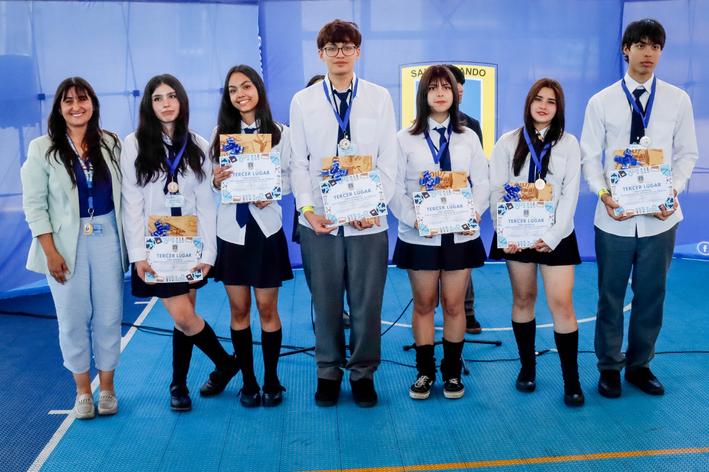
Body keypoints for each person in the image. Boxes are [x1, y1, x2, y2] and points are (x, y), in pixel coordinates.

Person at [580, 19, 698, 398]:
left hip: (660, 219)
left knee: (651, 294)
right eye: (641, 45)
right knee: (610, 295)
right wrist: (603, 193)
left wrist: (672, 192)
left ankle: (640, 365)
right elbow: (588, 157)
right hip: (614, 218)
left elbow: (687, 154)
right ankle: (609, 367)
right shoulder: (601, 101)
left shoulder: (678, 100)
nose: (648, 53)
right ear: (625, 49)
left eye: (655, 47)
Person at [289, 19, 397, 407]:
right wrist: (307, 210)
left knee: (367, 303)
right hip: (320, 222)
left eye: (347, 47)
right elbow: (299, 163)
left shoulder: (379, 97)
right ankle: (328, 372)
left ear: (358, 52)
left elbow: (388, 160)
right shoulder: (303, 101)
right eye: (332, 48)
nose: (340, 54)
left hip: (368, 222)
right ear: (321, 54)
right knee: (326, 301)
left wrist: (375, 207)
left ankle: (363, 372)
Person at [121, 74, 239, 411]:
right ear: (149, 105)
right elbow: (132, 203)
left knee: (183, 318)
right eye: (158, 98)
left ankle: (178, 385)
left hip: (189, 245)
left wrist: (209, 254)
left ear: (182, 101)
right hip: (155, 247)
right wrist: (138, 255)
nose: (166, 103)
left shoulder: (197, 144)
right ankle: (227, 363)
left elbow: (206, 205)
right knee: (185, 317)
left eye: (172, 96)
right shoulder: (134, 144)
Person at [21, 77, 127, 419]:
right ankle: (83, 391)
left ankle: (107, 388)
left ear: (93, 104)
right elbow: (35, 205)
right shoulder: (41, 148)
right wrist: (50, 252)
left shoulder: (111, 143)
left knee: (109, 315)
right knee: (72, 318)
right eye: (68, 101)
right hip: (64, 243)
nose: (76, 106)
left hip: (107, 236)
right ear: (59, 108)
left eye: (83, 99)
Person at [390, 65, 489, 400]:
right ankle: (425, 372)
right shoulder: (404, 138)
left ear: (456, 93)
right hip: (420, 237)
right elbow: (394, 188)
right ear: (423, 94)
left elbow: (483, 182)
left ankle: (451, 372)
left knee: (454, 305)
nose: (440, 93)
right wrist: (414, 219)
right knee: (424, 304)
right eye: (433, 88)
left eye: (446, 87)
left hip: (460, 235)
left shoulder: (468, 136)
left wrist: (473, 212)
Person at [489, 78, 585, 406]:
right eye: (538, 99)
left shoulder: (569, 143)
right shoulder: (507, 142)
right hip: (516, 237)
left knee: (562, 304)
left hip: (557, 236)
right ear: (529, 103)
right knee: (523, 298)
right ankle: (527, 368)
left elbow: (570, 194)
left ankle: (571, 380)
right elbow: (497, 191)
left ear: (559, 108)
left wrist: (553, 236)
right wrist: (505, 232)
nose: (543, 106)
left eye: (551, 101)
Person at [209, 65, 293, 407]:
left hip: (266, 229)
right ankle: (248, 381)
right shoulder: (220, 134)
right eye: (233, 90)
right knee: (239, 309)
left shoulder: (281, 133)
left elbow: (291, 178)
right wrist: (216, 180)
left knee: (267, 308)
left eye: (246, 86)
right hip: (232, 231)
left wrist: (272, 191)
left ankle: (272, 379)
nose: (240, 94)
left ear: (258, 89)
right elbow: (211, 181)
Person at [444, 64, 484, 335]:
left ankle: (467, 311)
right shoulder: (418, 125)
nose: (456, 94)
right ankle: (429, 310)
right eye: (450, 88)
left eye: (459, 91)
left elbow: (477, 170)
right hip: (431, 207)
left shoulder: (471, 126)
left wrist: (474, 207)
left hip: (460, 205)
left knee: (461, 261)